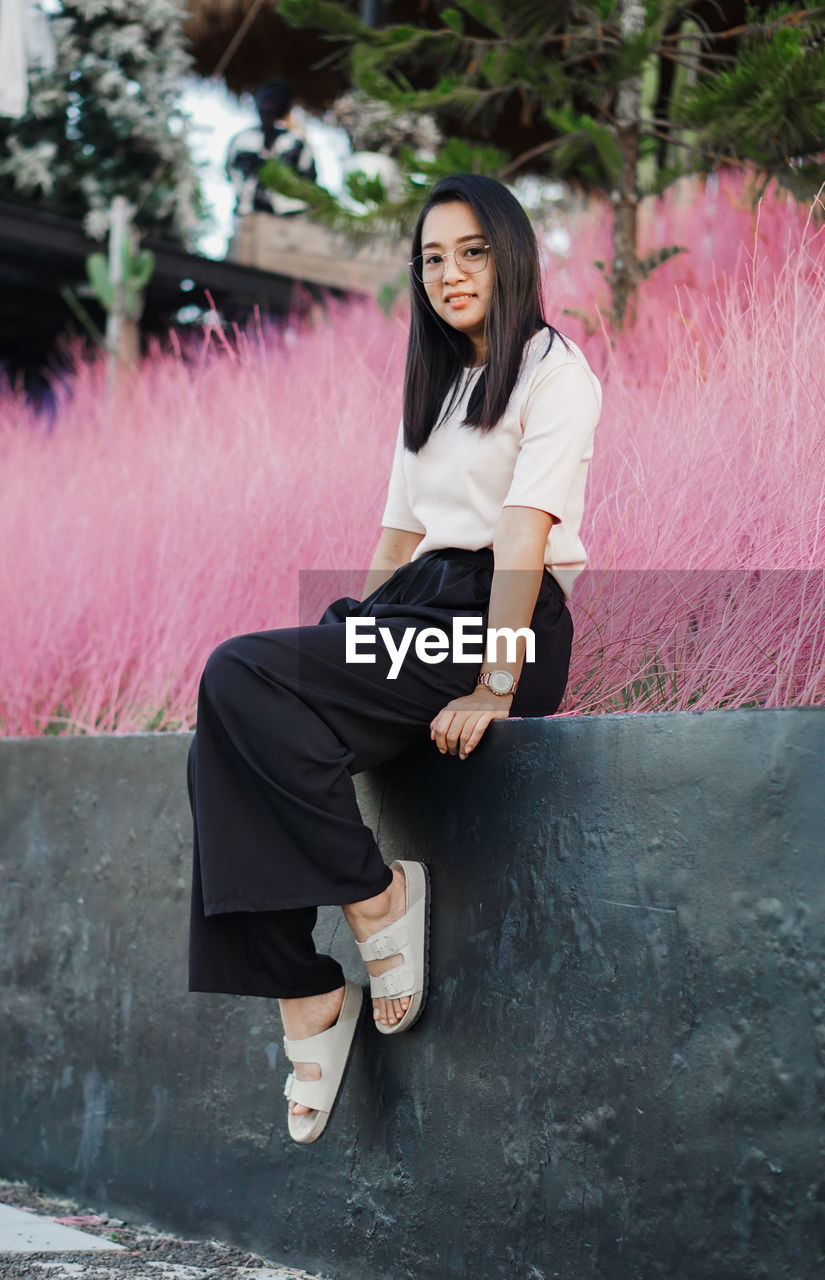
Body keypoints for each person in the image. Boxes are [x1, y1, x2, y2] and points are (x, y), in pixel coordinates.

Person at [187, 173, 602, 1145]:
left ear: (512, 257)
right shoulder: (433, 383)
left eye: (471, 251)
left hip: (503, 622)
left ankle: (377, 893)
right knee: (232, 714)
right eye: (431, 257)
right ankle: (303, 991)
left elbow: (522, 538)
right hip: (417, 610)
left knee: (235, 668)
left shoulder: (555, 373)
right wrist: (347, 638)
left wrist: (494, 680)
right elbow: (396, 533)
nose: (450, 273)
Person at [225, 78, 317, 217]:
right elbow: (229, 171)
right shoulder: (242, 141)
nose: (268, 108)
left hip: (287, 219)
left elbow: (309, 181)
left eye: (274, 103)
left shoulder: (296, 143)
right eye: (265, 102)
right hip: (248, 215)